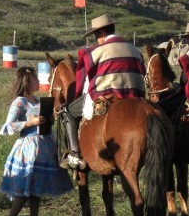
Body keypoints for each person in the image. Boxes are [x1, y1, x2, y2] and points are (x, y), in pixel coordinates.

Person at [61, 13, 146, 169]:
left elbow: (81, 80)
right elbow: (143, 72)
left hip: (107, 95)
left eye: (95, 35)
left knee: (68, 111)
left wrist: (76, 95)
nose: (96, 39)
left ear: (100, 33)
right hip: (136, 97)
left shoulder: (93, 52)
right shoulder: (135, 50)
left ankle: (74, 155)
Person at [0, 66, 74, 216]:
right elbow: (8, 125)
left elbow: (45, 121)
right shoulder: (19, 102)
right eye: (35, 78)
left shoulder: (39, 101)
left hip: (44, 147)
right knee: (25, 189)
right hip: (28, 149)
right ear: (27, 81)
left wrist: (49, 120)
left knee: (36, 189)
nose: (39, 81)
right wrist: (29, 123)